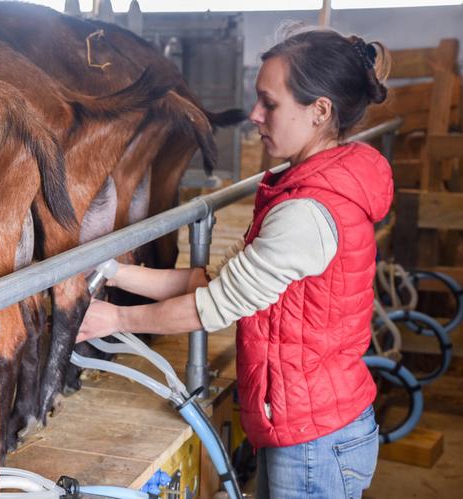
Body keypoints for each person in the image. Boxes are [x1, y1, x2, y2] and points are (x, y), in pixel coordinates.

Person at [78, 27, 393, 499]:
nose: (254, 115)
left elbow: (215, 306)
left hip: (315, 441)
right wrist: (114, 268)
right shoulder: (305, 186)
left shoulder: (307, 212)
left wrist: (115, 317)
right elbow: (215, 280)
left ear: (319, 111)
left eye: (270, 103)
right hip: (312, 423)